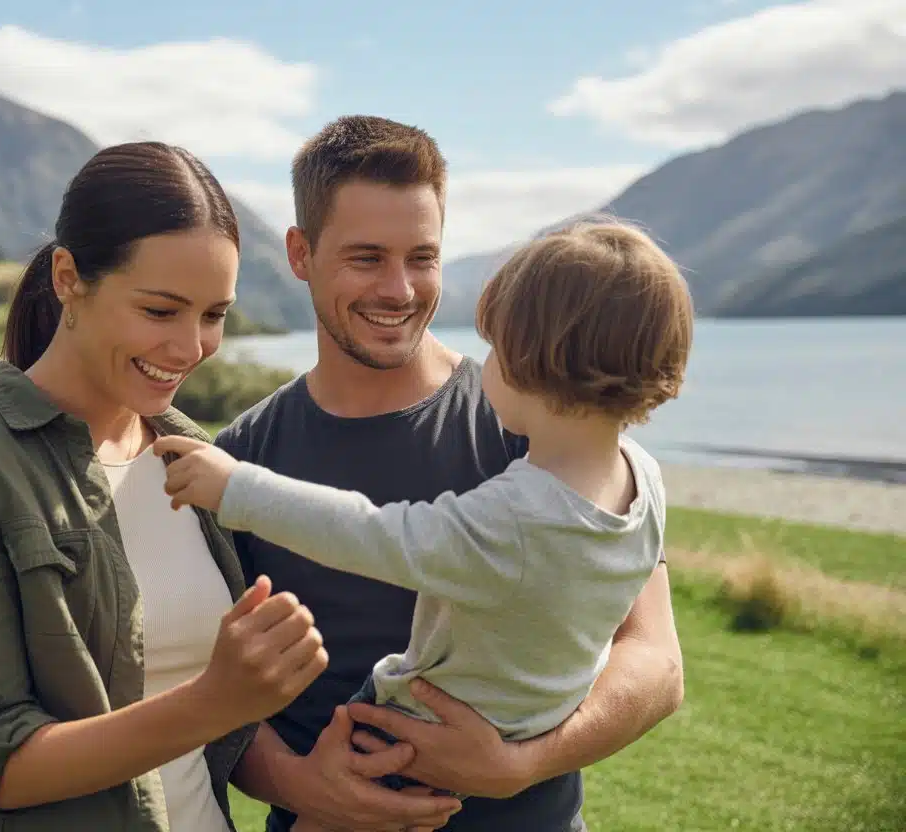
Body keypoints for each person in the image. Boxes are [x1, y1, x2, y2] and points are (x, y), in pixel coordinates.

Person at [187, 116, 688, 832]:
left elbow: (656, 662)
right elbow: (205, 693)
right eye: (367, 258)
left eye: (422, 257)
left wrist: (521, 764)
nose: (399, 289)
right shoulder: (241, 453)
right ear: (301, 253)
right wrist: (303, 788)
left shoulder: (544, 422)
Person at [0, 141, 328, 832]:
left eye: (213, 316)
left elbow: (199, 722)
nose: (190, 348)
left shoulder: (196, 458)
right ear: (69, 277)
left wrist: (316, 781)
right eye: (159, 311)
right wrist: (219, 699)